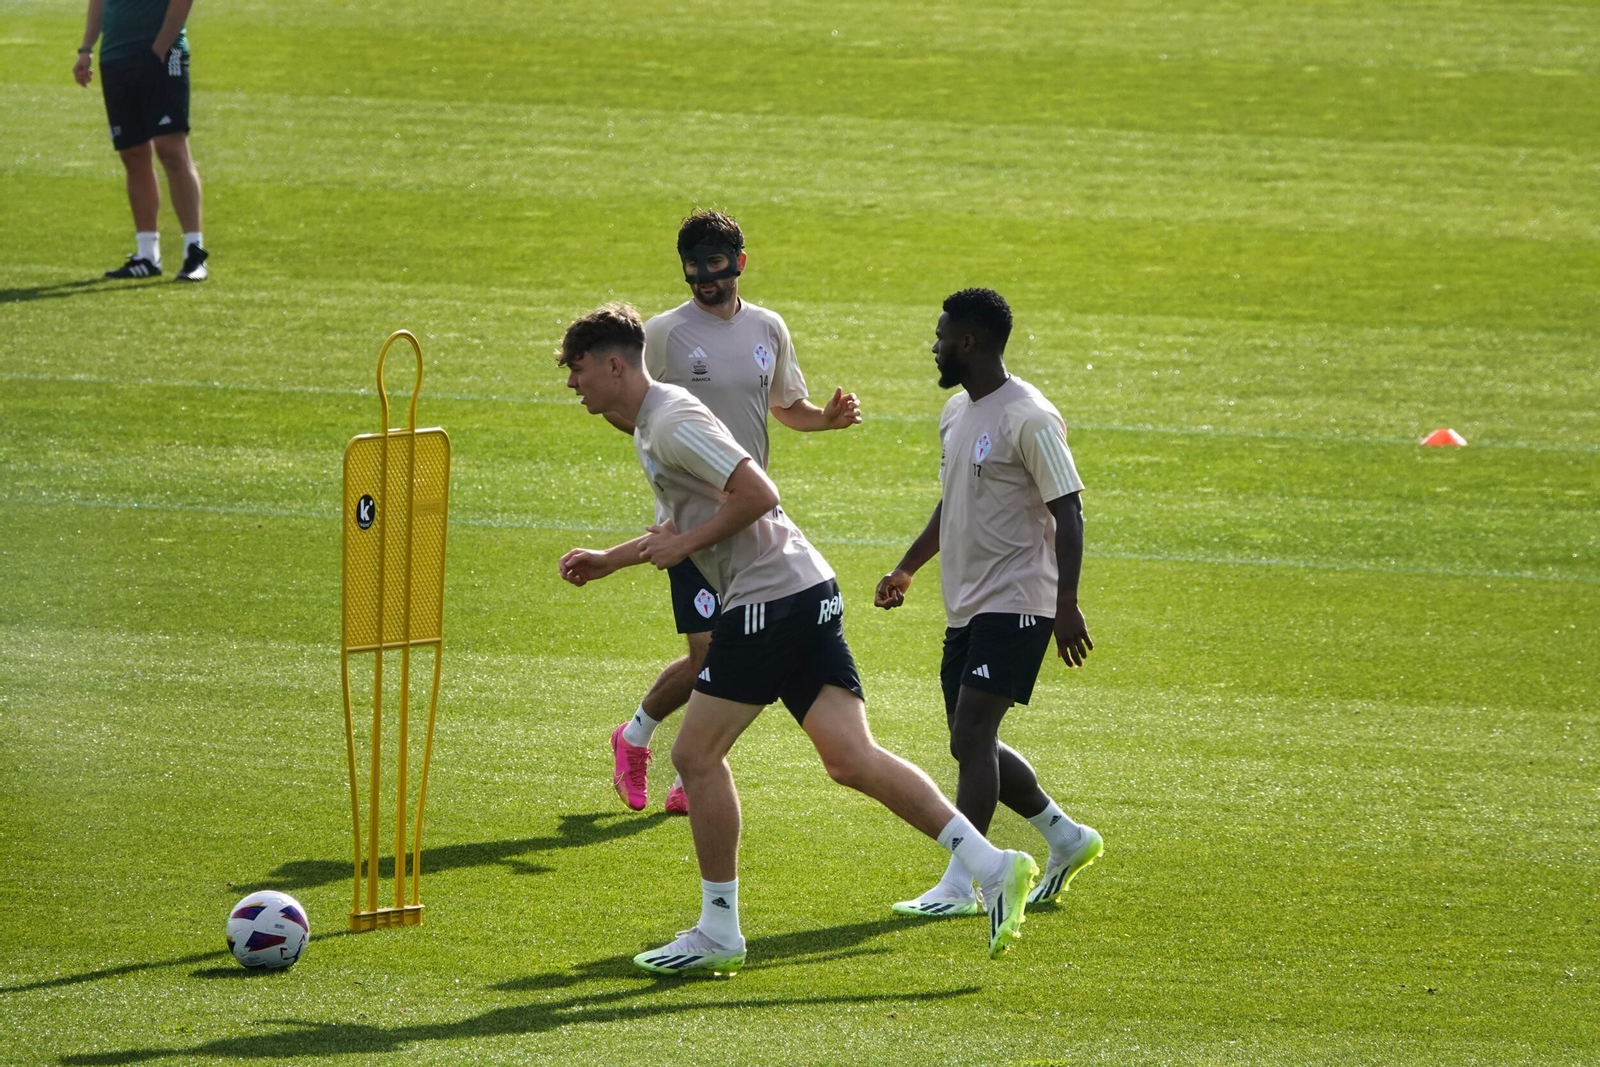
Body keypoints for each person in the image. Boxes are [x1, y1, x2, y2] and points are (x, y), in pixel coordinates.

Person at [556, 303, 1038, 974]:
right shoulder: (652, 423)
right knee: (851, 757)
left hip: (768, 600)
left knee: (695, 757)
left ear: (614, 364)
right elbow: (678, 528)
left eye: (577, 370)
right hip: (805, 588)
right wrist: (615, 558)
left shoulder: (669, 420)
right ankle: (994, 862)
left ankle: (718, 930)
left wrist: (689, 545)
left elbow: (756, 491)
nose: (572, 383)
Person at [601, 211, 860, 816]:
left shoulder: (769, 327)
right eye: (692, 266)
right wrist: (671, 474)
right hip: (693, 527)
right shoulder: (663, 333)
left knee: (719, 654)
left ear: (739, 262)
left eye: (714, 264)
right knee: (713, 653)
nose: (702, 278)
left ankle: (651, 743)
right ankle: (671, 754)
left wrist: (825, 418)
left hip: (748, 518)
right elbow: (629, 407)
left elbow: (785, 405)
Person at [874, 288, 1103, 917]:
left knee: (973, 732)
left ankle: (962, 884)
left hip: (1021, 597)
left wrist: (1067, 603)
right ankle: (1065, 836)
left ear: (968, 343)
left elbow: (1069, 510)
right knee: (967, 739)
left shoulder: (1028, 416)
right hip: (967, 602)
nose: (935, 344)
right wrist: (907, 566)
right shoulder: (957, 412)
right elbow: (954, 500)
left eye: (942, 335)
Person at [74, 0, 210, 281]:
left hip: (163, 54)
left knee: (171, 149)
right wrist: (86, 49)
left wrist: (158, 50)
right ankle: (147, 255)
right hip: (116, 58)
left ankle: (194, 252)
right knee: (132, 154)